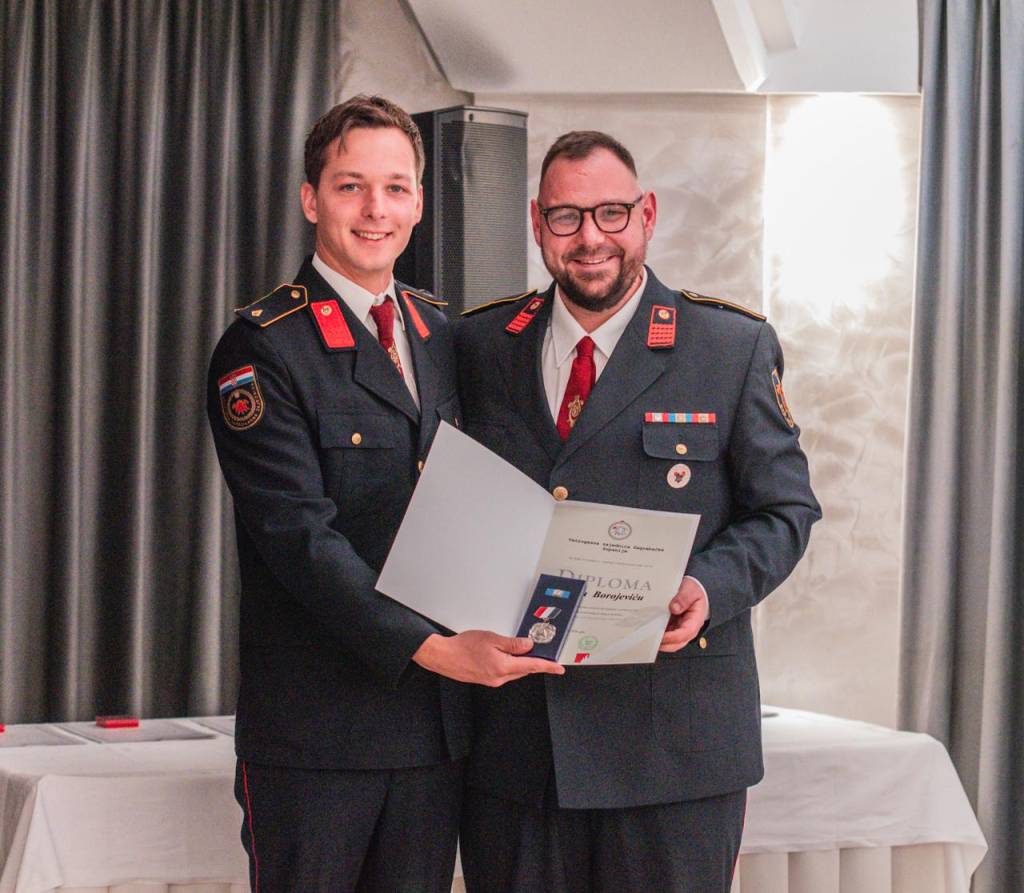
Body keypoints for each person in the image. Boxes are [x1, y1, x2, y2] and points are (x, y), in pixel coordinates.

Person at [206, 95, 562, 893]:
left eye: (396, 188)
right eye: (351, 186)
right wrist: (435, 648)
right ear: (311, 199)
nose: (376, 210)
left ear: (420, 203)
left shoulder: (440, 335)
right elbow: (299, 539)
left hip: (435, 734)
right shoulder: (263, 348)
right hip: (317, 737)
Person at [455, 130, 822, 893]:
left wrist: (710, 586)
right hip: (518, 747)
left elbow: (785, 509)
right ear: (537, 223)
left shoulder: (729, 347)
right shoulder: (478, 344)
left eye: (611, 213)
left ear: (646, 214)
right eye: (566, 216)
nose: (590, 237)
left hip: (674, 749)